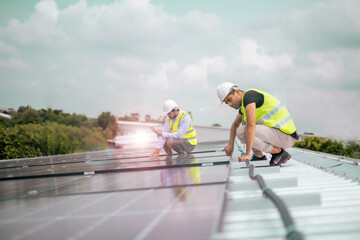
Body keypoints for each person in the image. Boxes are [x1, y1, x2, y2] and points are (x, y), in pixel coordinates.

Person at [216, 82, 299, 166]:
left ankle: (279, 153)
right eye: (227, 103)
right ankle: (258, 156)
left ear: (237, 91)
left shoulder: (249, 97)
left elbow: (251, 125)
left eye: (229, 100)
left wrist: (247, 154)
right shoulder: (244, 106)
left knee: (243, 131)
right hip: (279, 135)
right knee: (243, 128)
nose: (229, 105)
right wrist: (231, 145)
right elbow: (234, 125)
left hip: (286, 135)